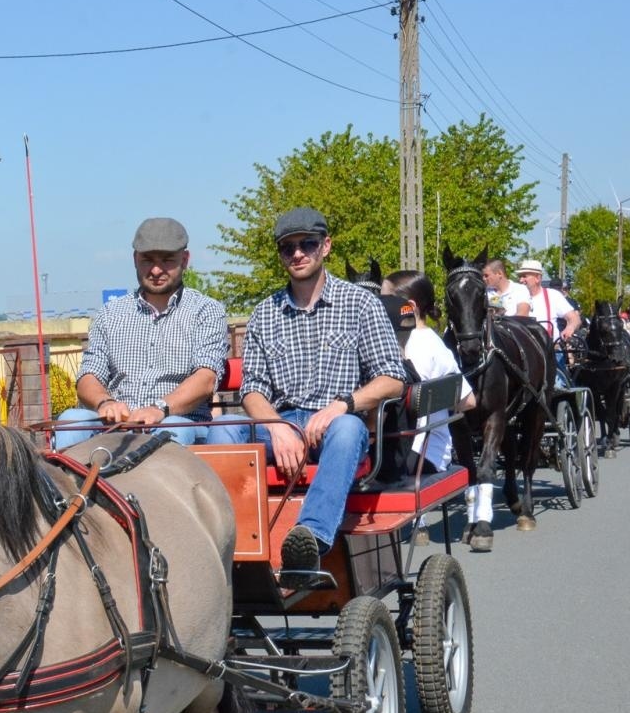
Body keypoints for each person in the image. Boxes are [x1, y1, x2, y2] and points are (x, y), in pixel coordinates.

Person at [206, 207, 405, 574]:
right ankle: (229, 540)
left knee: (347, 430)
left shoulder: (360, 303)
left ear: (325, 246)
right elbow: (252, 389)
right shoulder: (266, 312)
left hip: (337, 424)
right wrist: (279, 428)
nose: (297, 254)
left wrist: (340, 406)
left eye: (307, 244)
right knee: (222, 429)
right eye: (288, 248)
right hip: (281, 423)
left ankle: (310, 538)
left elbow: (392, 376)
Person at [52, 217, 227, 451]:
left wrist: (160, 409)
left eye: (167, 261)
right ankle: (70, 486)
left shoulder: (206, 311)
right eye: (147, 260)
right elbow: (88, 376)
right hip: (115, 424)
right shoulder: (110, 313)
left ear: (185, 260)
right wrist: (105, 402)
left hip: (179, 421)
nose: (156, 270)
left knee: (172, 428)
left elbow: (206, 379)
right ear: (135, 259)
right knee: (70, 421)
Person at [380, 270, 477, 476]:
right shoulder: (434, 341)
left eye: (385, 299)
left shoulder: (414, 344)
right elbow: (468, 401)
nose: (378, 305)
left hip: (414, 450)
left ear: (410, 307)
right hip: (429, 449)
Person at [515, 259, 580, 386]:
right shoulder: (514, 298)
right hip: (520, 354)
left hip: (550, 352)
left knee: (556, 385)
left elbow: (574, 318)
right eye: (519, 277)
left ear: (538, 278)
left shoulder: (553, 296)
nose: (520, 280)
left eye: (524, 276)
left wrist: (569, 328)